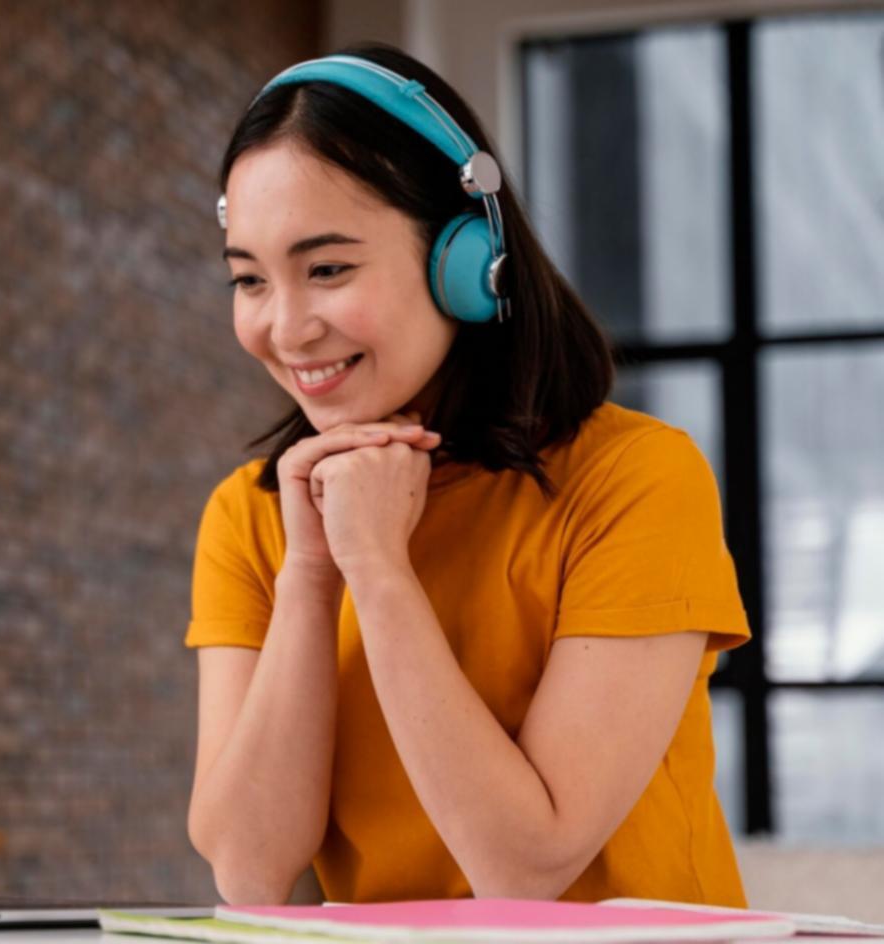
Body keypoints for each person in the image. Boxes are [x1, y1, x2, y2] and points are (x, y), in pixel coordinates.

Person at [185, 42, 751, 907]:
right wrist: (310, 573)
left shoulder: (633, 478)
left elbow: (524, 869)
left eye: (327, 269)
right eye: (250, 280)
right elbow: (249, 872)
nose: (286, 328)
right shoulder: (254, 515)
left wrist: (377, 569)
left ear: (465, 263)